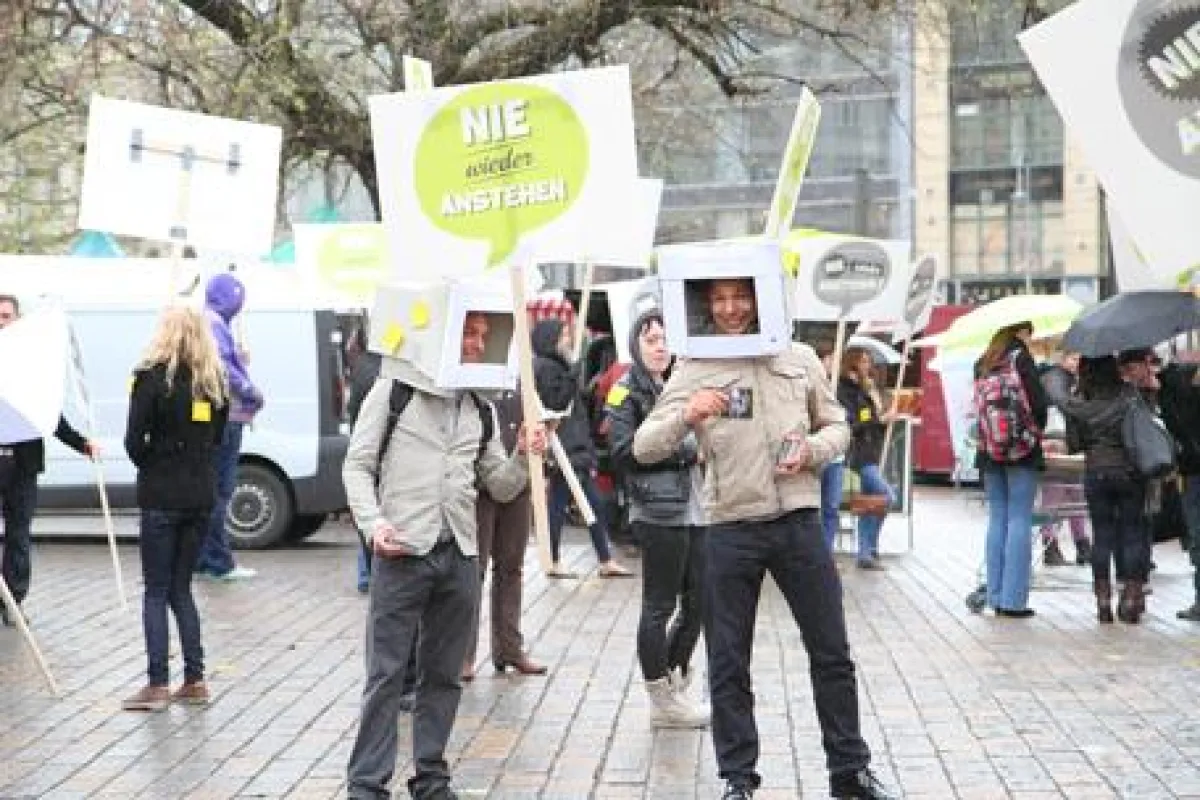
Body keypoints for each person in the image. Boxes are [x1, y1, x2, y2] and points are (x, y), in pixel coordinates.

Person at [633, 277, 894, 800]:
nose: (731, 308)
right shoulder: (694, 365)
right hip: (729, 526)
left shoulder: (798, 357)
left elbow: (838, 426)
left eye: (741, 296)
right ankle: (738, 779)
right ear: (708, 305)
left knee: (832, 652)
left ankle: (850, 771)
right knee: (729, 659)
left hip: (798, 521)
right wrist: (688, 413)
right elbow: (643, 446)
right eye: (720, 299)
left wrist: (814, 450)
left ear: (761, 299)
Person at [342, 310, 547, 800]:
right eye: (468, 333)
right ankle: (366, 785)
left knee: (444, 677)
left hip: (460, 555)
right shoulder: (394, 392)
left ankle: (430, 778)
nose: (477, 343)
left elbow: (499, 485)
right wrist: (374, 525)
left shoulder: (481, 406)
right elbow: (357, 466)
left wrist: (524, 455)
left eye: (483, 335)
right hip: (401, 551)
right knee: (386, 675)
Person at [121, 306, 229, 710]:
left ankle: (157, 683)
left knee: (155, 589)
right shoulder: (214, 382)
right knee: (182, 589)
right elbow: (217, 438)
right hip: (200, 494)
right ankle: (195, 678)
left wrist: (154, 463)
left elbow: (133, 440)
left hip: (161, 494)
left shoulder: (149, 378)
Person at [606, 308, 708, 729]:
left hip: (697, 506)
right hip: (657, 508)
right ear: (636, 344)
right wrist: (685, 450)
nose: (660, 347)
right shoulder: (624, 390)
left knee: (700, 601)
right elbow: (622, 452)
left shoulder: (683, 382)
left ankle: (676, 677)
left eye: (666, 338)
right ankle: (660, 696)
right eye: (651, 340)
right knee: (659, 605)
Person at [0, 294, 98, 627]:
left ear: (18, 320)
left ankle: (13, 601)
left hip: (23, 464)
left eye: (7, 316)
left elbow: (48, 415)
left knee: (18, 535)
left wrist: (81, 444)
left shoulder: (29, 367)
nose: (2, 321)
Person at [530, 317, 631, 578]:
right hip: (565, 448)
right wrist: (572, 377)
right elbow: (557, 402)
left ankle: (603, 558)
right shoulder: (547, 367)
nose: (568, 340)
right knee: (561, 506)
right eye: (563, 335)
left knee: (591, 504)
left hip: (573, 447)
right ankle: (554, 558)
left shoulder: (553, 366)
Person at [462, 386, 547, 679]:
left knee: (512, 568)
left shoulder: (523, 372)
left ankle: (509, 648)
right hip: (478, 484)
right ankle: (463, 654)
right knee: (473, 570)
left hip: (519, 479)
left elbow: (539, 415)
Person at [1065, 356, 1150, 624]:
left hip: (1096, 472)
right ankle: (1131, 599)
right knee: (1133, 533)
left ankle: (1103, 603)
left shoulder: (1080, 402)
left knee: (1102, 536)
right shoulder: (1130, 395)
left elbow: (1074, 444)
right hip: (1129, 472)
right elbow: (1144, 433)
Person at [974, 321, 1047, 618]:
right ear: (1020, 332)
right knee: (1020, 518)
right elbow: (1039, 406)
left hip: (989, 452)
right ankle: (1013, 601)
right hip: (1022, 452)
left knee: (997, 519)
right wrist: (1034, 433)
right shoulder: (1022, 358)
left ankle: (993, 594)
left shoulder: (983, 362)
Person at [195, 273, 262, 581]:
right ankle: (218, 561)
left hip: (222, 417)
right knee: (220, 491)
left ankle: (203, 557)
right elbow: (223, 369)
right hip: (228, 417)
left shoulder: (211, 323)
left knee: (212, 490)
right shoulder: (214, 324)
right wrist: (250, 390)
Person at [837, 346, 896, 570]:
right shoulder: (845, 391)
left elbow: (870, 421)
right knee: (885, 496)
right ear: (852, 363)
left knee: (872, 501)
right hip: (858, 454)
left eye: (868, 362)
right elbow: (852, 424)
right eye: (863, 361)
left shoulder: (864, 390)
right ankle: (867, 548)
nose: (867, 366)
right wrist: (878, 420)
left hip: (870, 451)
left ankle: (867, 551)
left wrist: (879, 411)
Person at [1038, 351, 1092, 567]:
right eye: (1073, 358)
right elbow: (1063, 406)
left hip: (1070, 445)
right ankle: (1050, 545)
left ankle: (1082, 545)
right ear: (1062, 358)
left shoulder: (1072, 379)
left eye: (1080, 358)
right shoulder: (1055, 378)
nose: (1077, 362)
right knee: (1055, 495)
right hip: (1057, 442)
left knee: (1075, 496)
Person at [1158, 357, 1200, 620]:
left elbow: (1178, 429)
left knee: (1197, 535)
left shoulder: (1179, 388)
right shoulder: (1182, 385)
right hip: (1193, 472)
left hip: (1194, 473)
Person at [345, 324, 382, 593]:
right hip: (381, 453)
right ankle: (370, 572)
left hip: (365, 446)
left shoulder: (361, 367)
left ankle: (366, 572)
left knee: (367, 511)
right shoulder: (384, 370)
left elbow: (352, 411)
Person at [817, 348, 845, 552]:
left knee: (832, 506)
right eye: (829, 359)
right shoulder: (810, 382)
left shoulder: (842, 386)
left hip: (836, 458)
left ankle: (827, 551)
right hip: (815, 455)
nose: (833, 363)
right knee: (812, 508)